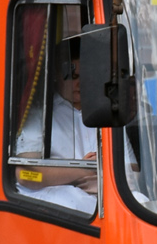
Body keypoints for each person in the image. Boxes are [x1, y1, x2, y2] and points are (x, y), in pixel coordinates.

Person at [14, 41, 100, 213]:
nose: (80, 83)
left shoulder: (103, 110)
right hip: (57, 211)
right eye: (72, 76)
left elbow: (132, 170)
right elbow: (25, 175)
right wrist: (83, 169)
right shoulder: (40, 115)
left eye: (85, 76)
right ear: (56, 75)